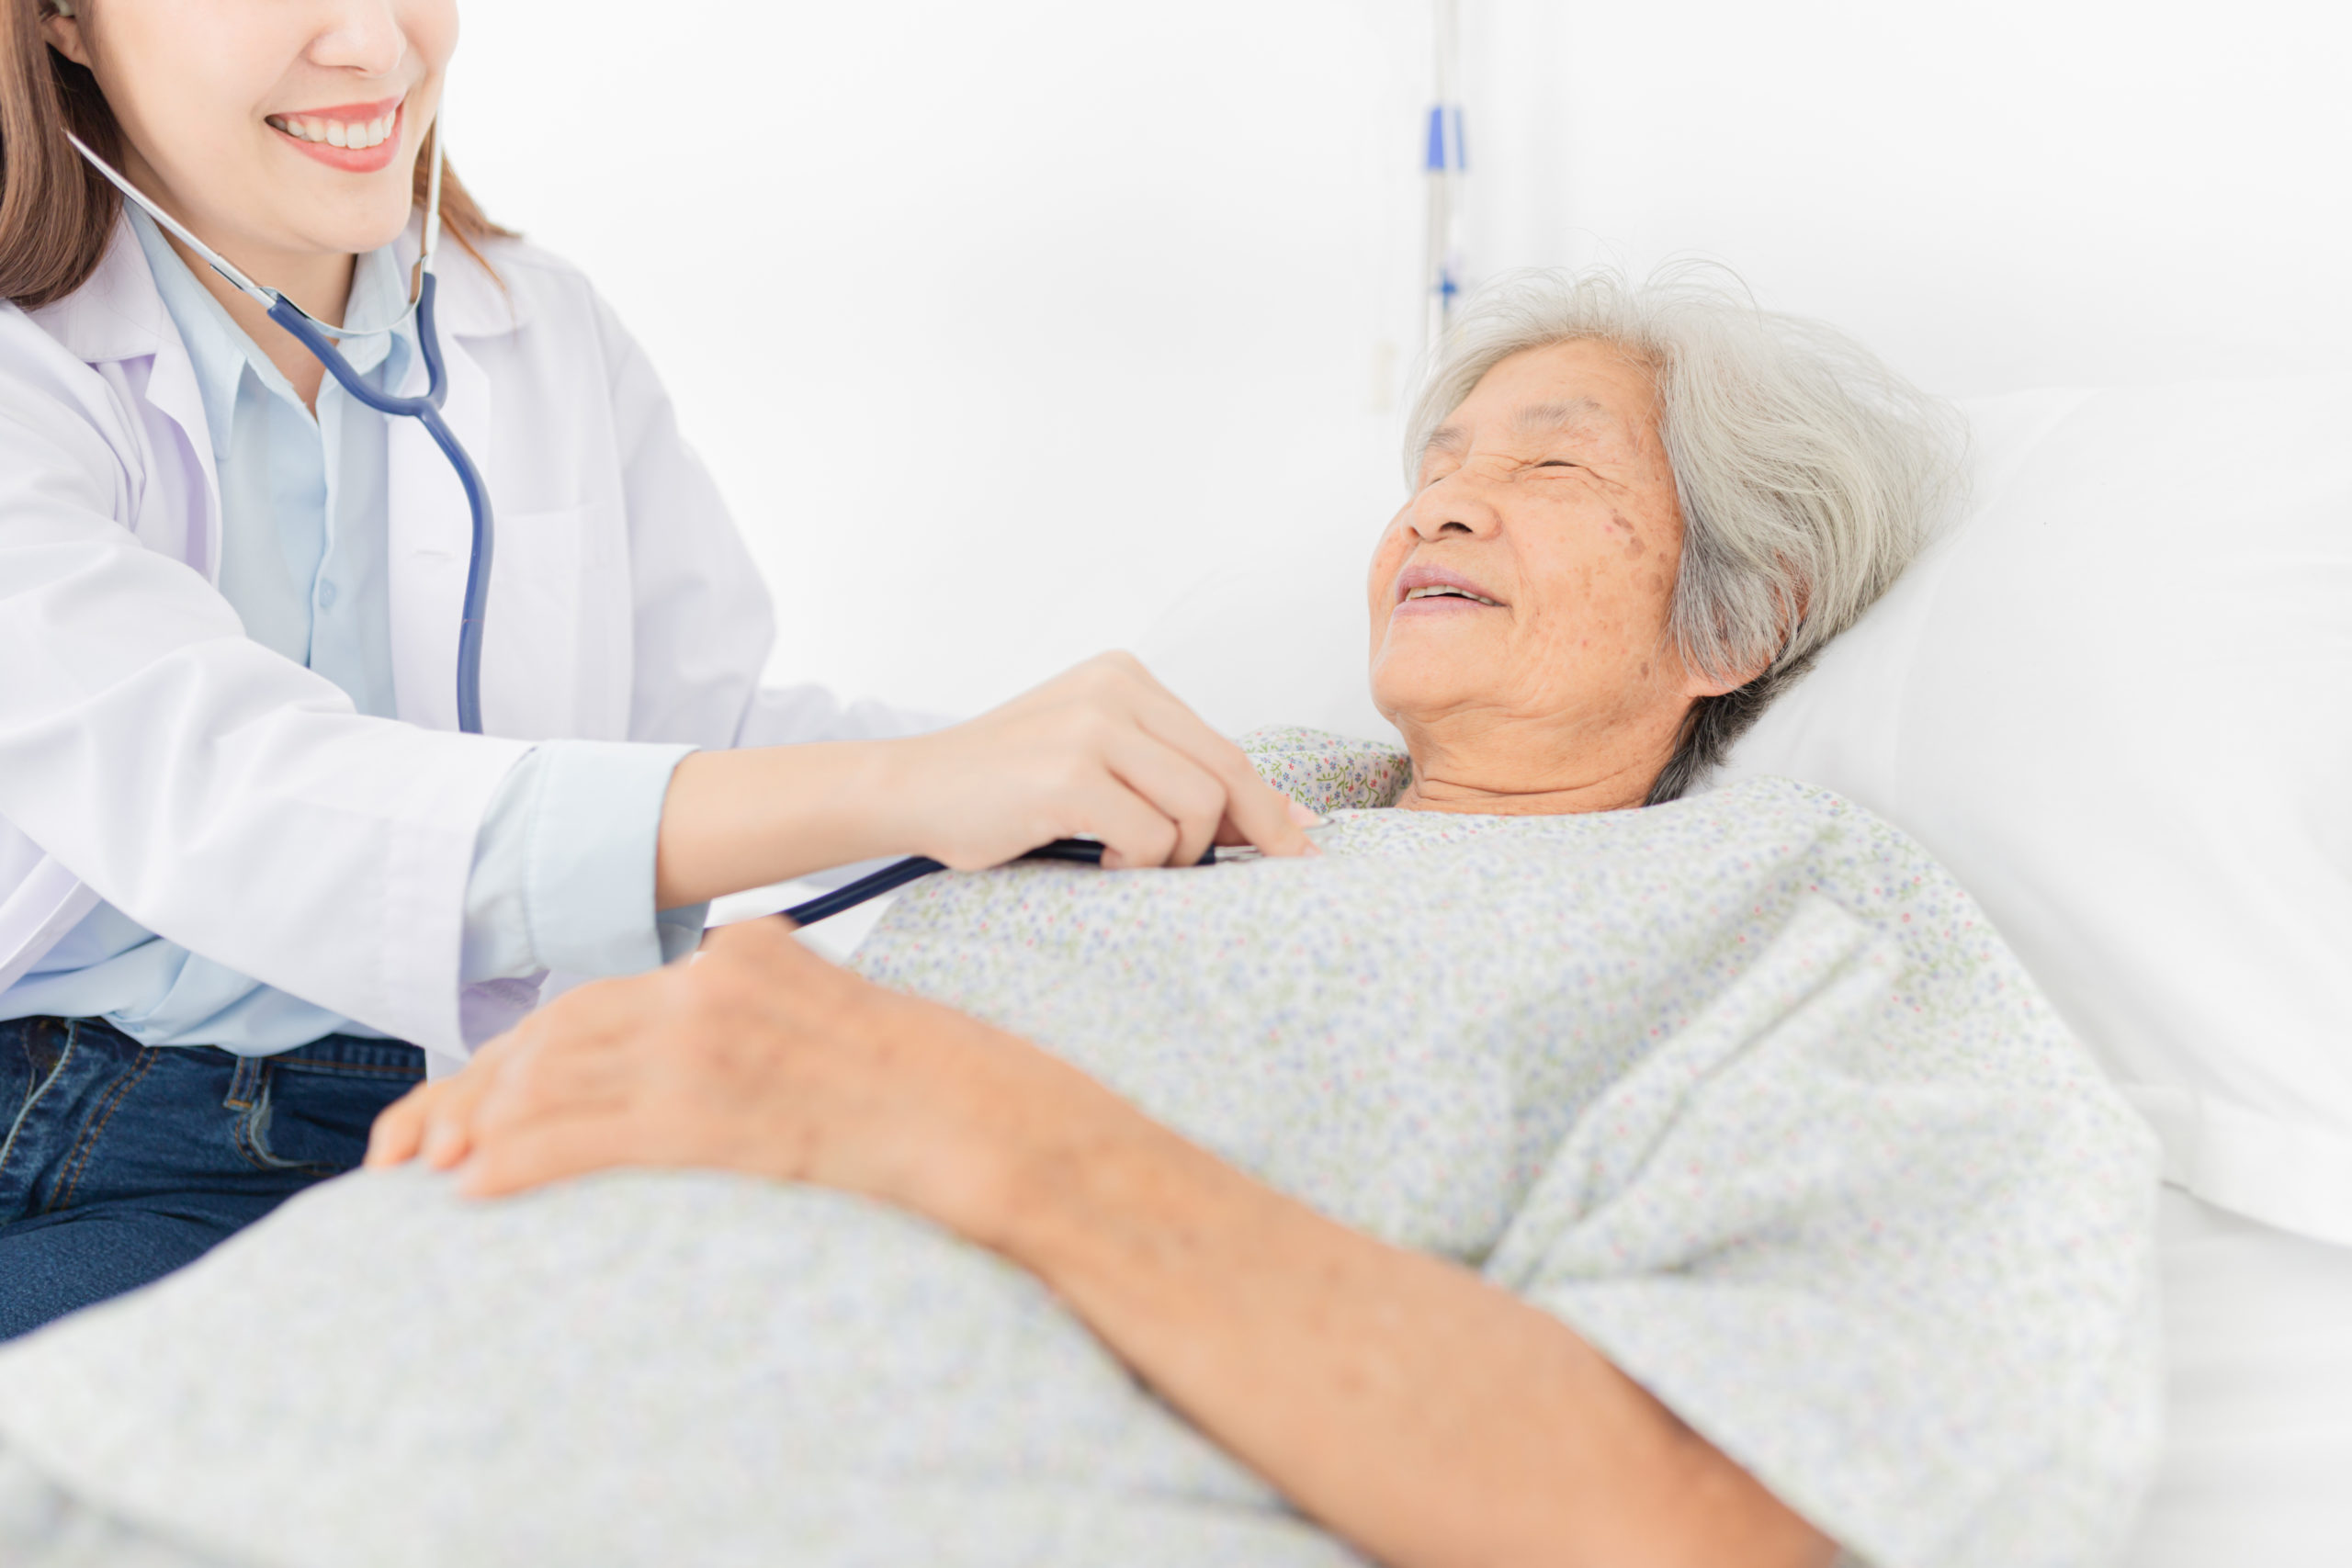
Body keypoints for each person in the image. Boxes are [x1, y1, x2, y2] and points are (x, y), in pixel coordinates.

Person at [0, 269, 2162, 1568]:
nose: (1438, 493)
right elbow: (312, 779)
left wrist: (956, 1119)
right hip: (209, 1415)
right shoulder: (1218, 798)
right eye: (1435, 453)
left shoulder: (1800, 933)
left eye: (1555, 463)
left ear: (1749, 608)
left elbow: (1739, 1521)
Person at [0, 0, 1316, 1341]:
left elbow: (699, 730)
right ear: (59, 18)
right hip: (101, 1141)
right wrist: (909, 786)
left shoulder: (533, 321)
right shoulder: (24, 374)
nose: (374, 44)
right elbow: (246, 802)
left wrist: (1049, 775)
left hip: (487, 1099)